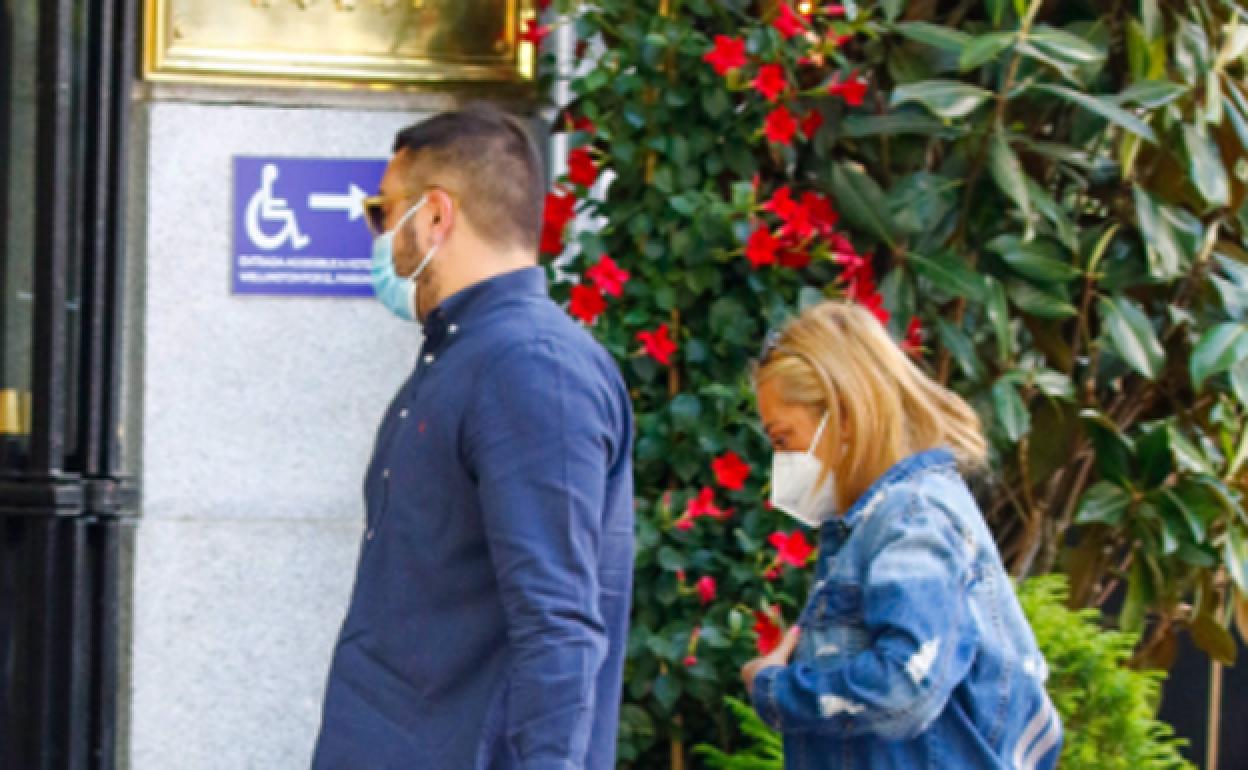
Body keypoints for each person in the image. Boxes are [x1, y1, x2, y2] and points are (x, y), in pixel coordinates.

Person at [310, 104, 635, 770]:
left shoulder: (531, 368)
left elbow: (559, 622)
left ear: (434, 215)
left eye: (383, 212)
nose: (378, 235)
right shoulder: (465, 356)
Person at [741, 301, 1062, 770]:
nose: (781, 462)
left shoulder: (913, 518)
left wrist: (776, 689)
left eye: (784, 438)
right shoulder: (884, 522)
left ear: (844, 414)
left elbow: (906, 686)